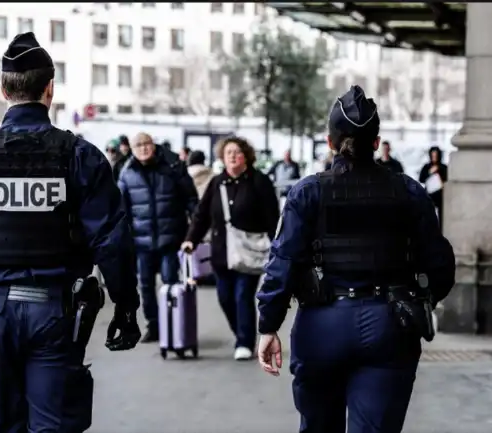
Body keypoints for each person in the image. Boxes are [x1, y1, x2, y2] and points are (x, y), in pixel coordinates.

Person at [0, 32, 141, 433]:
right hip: (55, 314)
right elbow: (112, 241)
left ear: (4, 90)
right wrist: (126, 308)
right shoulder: (80, 157)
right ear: (50, 89)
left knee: (9, 425)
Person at [256, 86, 456, 433]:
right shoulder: (408, 191)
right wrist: (419, 300)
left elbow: (282, 262)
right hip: (390, 324)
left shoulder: (308, 192)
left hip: (321, 325)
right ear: (376, 143)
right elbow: (440, 266)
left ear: (330, 143)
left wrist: (268, 325)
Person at [183, 136, 280, 360]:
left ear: (246, 156)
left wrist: (279, 247)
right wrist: (191, 239)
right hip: (221, 253)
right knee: (225, 297)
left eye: (237, 152)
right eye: (228, 153)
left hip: (249, 252)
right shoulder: (217, 183)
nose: (233, 156)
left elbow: (272, 218)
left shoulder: (259, 182)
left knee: (242, 296)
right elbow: (202, 215)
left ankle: (245, 342)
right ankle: (241, 334)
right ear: (222, 158)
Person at [118, 132, 199, 343]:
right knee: (144, 285)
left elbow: (191, 199)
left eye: (146, 144)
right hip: (141, 242)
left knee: (169, 281)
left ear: (153, 145)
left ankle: (172, 324)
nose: (143, 148)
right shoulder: (127, 173)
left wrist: (195, 231)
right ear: (131, 150)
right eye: (138, 145)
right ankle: (153, 325)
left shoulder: (172, 167)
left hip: (171, 238)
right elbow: (121, 210)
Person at [418, 146, 448, 228]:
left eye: (436, 155)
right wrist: (430, 172)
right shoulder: (426, 167)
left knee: (441, 216)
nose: (434, 157)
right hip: (430, 195)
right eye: (433, 155)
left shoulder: (443, 167)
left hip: (440, 196)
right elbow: (421, 179)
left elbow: (447, 179)